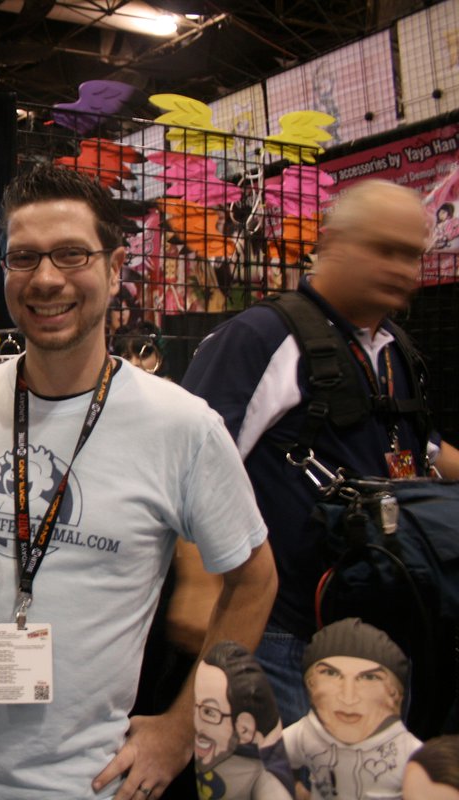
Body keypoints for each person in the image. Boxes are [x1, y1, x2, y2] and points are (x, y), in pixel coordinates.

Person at [0, 164, 277, 800]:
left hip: (82, 782)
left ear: (116, 269)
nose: (45, 279)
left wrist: (182, 730)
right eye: (24, 257)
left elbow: (254, 580)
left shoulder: (182, 426)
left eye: (72, 254)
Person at [182, 179, 459, 726]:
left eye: (412, 255)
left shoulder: (392, 349)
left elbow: (416, 447)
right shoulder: (261, 338)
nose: (401, 270)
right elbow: (184, 467)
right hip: (280, 639)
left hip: (377, 637)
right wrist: (196, 593)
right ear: (330, 243)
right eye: (383, 250)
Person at [283, 618, 421, 799]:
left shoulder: (407, 751)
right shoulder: (307, 733)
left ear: (393, 694)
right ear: (311, 685)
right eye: (331, 674)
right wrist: (295, 790)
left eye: (369, 678)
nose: (348, 698)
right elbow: (271, 757)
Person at [193, 641, 294, 799]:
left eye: (209, 712)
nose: (197, 724)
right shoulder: (217, 752)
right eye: (196, 707)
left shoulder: (270, 784)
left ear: (244, 728)